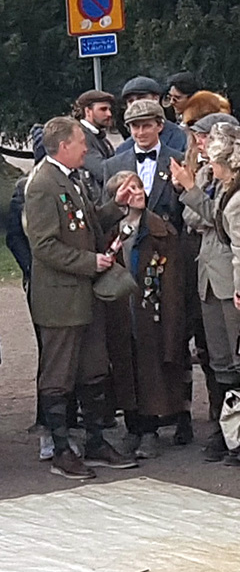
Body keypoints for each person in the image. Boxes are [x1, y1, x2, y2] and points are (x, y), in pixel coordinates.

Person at [23, 116, 136, 480]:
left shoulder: (74, 179)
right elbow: (43, 247)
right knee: (58, 375)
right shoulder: (42, 184)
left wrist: (116, 205)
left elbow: (87, 223)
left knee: (93, 369)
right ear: (63, 146)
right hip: (60, 299)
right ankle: (59, 448)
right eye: (80, 143)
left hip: (84, 295)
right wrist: (91, 262)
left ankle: (96, 440)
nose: (87, 149)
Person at [103, 98, 192, 443]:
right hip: (129, 250)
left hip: (169, 252)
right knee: (134, 337)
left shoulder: (177, 159)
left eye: (147, 125)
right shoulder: (114, 163)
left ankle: (181, 411)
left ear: (159, 125)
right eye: (134, 127)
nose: (140, 132)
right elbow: (109, 210)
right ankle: (140, 419)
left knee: (174, 331)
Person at [172, 116, 240, 461]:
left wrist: (190, 191)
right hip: (210, 276)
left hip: (230, 278)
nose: (199, 145)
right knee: (219, 359)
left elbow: (216, 219)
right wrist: (197, 195)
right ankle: (227, 427)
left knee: (236, 357)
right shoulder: (208, 176)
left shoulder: (233, 186)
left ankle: (236, 433)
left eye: (206, 139)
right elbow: (195, 219)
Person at [117, 76, 187, 153]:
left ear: (156, 99)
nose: (136, 104)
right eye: (130, 101)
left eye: (141, 98)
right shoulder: (123, 149)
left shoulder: (179, 137)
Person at [72, 89, 117, 198]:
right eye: (103, 109)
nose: (109, 114)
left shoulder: (100, 137)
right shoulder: (81, 136)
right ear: (88, 111)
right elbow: (102, 171)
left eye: (109, 109)